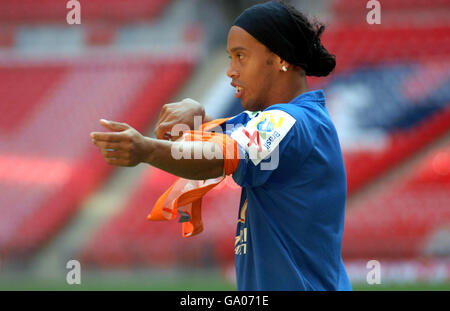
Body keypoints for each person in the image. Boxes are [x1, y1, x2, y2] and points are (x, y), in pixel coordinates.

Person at [90, 0, 352, 290]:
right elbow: (231, 136)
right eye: (230, 58)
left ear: (280, 58)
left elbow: (222, 155)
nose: (230, 71)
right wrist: (201, 118)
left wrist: (146, 150)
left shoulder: (288, 121)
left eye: (240, 56)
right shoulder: (295, 121)